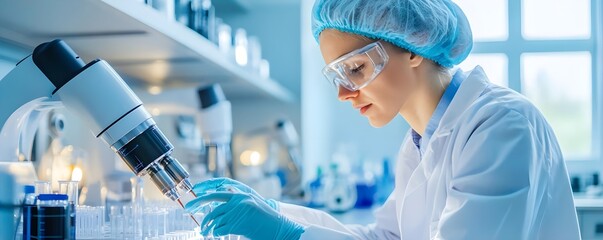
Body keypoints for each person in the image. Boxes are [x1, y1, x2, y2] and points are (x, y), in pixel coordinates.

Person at [185, 0, 581, 239]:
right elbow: (386, 237)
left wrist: (286, 236)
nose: (343, 94)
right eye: (337, 77)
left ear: (413, 48)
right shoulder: (421, 142)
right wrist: (276, 212)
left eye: (355, 69)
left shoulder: (500, 126)